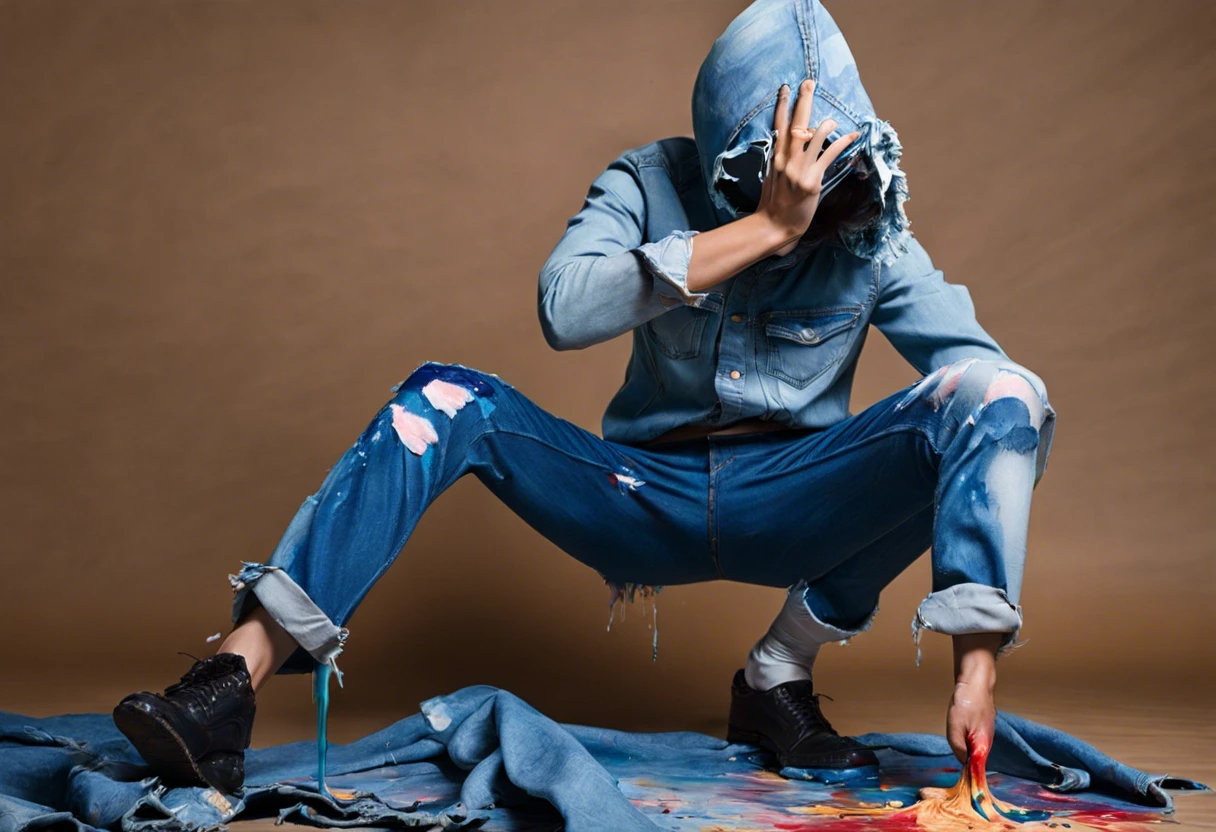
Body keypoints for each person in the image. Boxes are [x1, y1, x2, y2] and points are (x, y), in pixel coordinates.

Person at [113, 0, 1055, 794]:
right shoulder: (649, 181)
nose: (811, 213)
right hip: (636, 498)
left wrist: (976, 668)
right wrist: (766, 229)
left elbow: (1000, 410)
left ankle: (776, 679)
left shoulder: (872, 238)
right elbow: (563, 309)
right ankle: (230, 685)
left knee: (994, 397)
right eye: (778, 178)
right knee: (442, 398)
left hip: (794, 505)